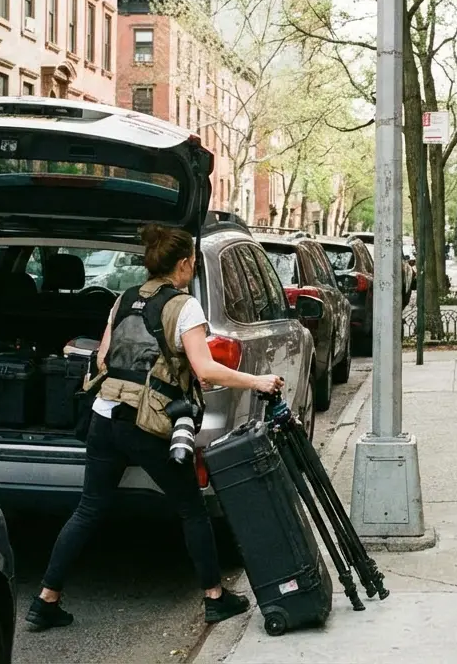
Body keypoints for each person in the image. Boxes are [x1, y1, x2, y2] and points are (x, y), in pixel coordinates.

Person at [27, 224, 285, 631]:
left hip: (104, 413)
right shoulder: (185, 307)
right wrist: (257, 381)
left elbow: (103, 359)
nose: (192, 267)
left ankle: (46, 600)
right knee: (191, 509)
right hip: (146, 423)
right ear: (183, 264)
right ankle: (215, 598)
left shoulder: (123, 299)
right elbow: (204, 370)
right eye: (193, 262)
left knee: (89, 508)